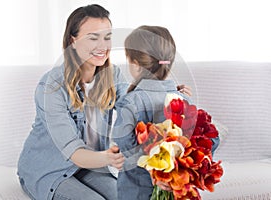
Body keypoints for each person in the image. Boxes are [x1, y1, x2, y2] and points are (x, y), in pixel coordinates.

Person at [17, 4, 191, 200]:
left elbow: (134, 106)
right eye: (93, 37)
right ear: (72, 41)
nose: (103, 46)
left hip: (93, 168)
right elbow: (72, 152)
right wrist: (110, 157)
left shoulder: (112, 75)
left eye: (107, 37)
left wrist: (164, 94)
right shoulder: (51, 87)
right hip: (50, 170)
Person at [112, 25, 220, 200]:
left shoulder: (129, 102)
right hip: (176, 191)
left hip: (135, 193)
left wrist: (155, 168)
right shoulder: (184, 100)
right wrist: (179, 168)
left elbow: (124, 145)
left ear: (136, 64)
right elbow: (212, 140)